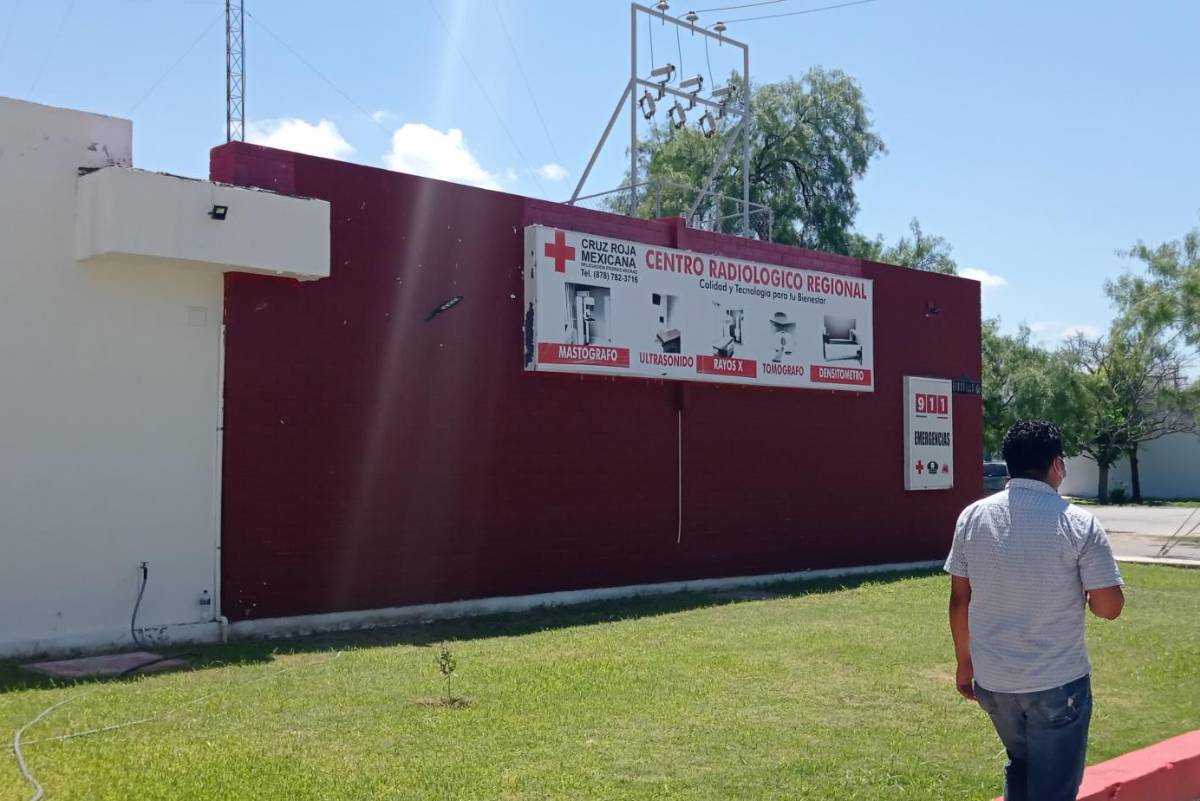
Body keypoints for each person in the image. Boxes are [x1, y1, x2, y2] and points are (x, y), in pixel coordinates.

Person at [945, 420, 1125, 801]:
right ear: (1057, 464)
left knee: (1021, 766)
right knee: (1052, 789)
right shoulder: (1079, 523)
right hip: (1057, 683)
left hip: (993, 682)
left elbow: (960, 598)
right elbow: (1109, 608)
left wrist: (964, 663)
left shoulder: (971, 517)